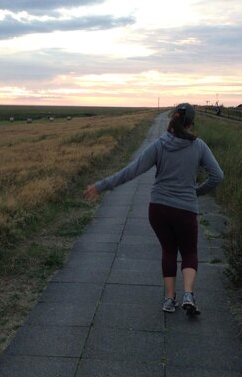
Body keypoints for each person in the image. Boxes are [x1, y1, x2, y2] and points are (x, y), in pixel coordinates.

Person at [84, 103, 223, 313]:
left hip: (158, 209)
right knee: (189, 251)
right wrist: (196, 191)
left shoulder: (159, 145)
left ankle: (169, 299)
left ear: (172, 120)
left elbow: (132, 170)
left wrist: (101, 186)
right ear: (191, 123)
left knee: (168, 250)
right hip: (185, 209)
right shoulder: (199, 146)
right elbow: (217, 177)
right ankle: (188, 295)